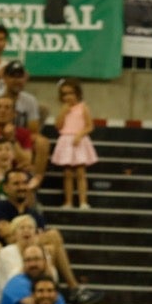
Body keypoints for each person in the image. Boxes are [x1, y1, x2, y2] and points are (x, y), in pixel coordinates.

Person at [51, 79, 97, 209]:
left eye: (71, 93)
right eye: (65, 94)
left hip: (79, 141)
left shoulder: (83, 107)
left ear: (77, 93)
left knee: (80, 173)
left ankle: (83, 201)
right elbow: (58, 126)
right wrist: (62, 113)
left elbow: (89, 126)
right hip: (66, 141)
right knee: (67, 174)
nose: (68, 97)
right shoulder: (63, 109)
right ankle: (68, 201)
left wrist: (80, 134)